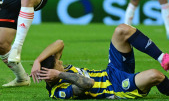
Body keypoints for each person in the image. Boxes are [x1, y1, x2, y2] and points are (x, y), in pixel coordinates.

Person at [31, 23, 169, 99]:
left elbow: (59, 43)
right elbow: (87, 83)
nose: (60, 62)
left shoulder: (57, 70)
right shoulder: (59, 92)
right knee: (155, 75)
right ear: (52, 75)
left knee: (122, 30)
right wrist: (60, 74)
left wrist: (38, 60)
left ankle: (162, 57)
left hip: (111, 70)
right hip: (117, 87)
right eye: (58, 64)